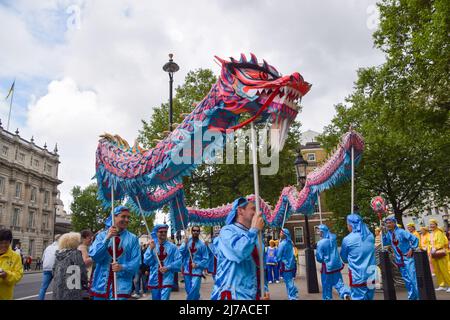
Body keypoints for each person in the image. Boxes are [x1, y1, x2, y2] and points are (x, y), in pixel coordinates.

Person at [211, 197, 268, 300]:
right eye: (253, 209)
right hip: (233, 295)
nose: (258, 213)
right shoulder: (227, 232)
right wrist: (254, 229)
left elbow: (261, 268)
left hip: (253, 295)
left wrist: (264, 291)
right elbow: (240, 251)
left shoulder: (257, 237)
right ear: (240, 211)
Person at [89, 205, 141, 300]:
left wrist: (122, 267)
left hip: (122, 287)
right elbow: (94, 256)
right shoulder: (101, 236)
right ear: (114, 217)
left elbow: (136, 263)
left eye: (128, 217)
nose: (126, 220)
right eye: (123, 216)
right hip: (101, 285)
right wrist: (107, 239)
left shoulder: (133, 239)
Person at [382, 215, 419, 300]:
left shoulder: (401, 232)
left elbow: (415, 239)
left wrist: (412, 249)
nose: (388, 225)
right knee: (407, 280)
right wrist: (383, 233)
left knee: (413, 279)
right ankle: (412, 297)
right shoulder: (388, 234)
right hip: (399, 260)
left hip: (407, 258)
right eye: (387, 223)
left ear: (394, 223)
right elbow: (384, 242)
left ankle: (419, 297)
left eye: (390, 223)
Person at [340, 212, 376, 300]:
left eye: (347, 224)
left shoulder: (347, 239)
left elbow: (344, 258)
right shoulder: (370, 236)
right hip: (371, 275)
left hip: (357, 276)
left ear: (351, 225)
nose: (347, 227)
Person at [144, 224, 181, 300]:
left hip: (167, 278)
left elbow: (179, 261)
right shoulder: (152, 246)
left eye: (165, 232)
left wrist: (168, 267)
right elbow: (146, 261)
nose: (163, 233)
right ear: (157, 233)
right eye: (161, 232)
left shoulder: (172, 247)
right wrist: (150, 250)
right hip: (154, 278)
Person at [316, 224, 351, 300]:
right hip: (336, 266)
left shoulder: (321, 243)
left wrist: (323, 259)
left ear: (322, 232)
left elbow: (319, 258)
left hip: (327, 268)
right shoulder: (333, 239)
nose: (318, 233)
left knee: (326, 287)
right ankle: (345, 294)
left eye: (318, 231)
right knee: (339, 284)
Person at [53, 232, 88, 300]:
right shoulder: (75, 254)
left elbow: (53, 271)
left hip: (59, 289)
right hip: (73, 290)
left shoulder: (58, 255)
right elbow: (82, 271)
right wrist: (85, 282)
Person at [179, 226, 209, 300]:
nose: (196, 232)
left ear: (199, 232)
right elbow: (180, 253)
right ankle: (197, 298)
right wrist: (184, 244)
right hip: (186, 269)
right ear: (191, 232)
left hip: (197, 270)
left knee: (195, 287)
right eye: (194, 230)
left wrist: (197, 265)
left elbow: (206, 259)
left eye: (197, 231)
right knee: (188, 289)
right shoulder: (186, 241)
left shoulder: (202, 245)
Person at [0, 229, 23, 300]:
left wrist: (6, 275)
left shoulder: (15, 257)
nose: (3, 245)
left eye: (6, 243)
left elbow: (18, 275)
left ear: (10, 242)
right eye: (1, 243)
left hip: (5, 296)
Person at [428, 219, 450, 292]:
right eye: (430, 224)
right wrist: (430, 249)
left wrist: (435, 248)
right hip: (434, 254)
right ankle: (442, 285)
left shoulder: (439, 232)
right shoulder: (431, 233)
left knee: (444, 270)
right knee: (437, 270)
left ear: (436, 225)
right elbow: (429, 243)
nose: (431, 226)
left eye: (433, 224)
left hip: (441, 253)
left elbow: (441, 243)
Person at [277, 228, 299, 300]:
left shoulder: (282, 244)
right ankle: (293, 292)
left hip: (285, 264)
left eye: (281, 232)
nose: (280, 233)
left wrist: (276, 259)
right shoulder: (290, 243)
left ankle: (292, 296)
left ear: (284, 234)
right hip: (291, 264)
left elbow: (278, 256)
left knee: (288, 281)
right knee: (289, 280)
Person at [38, 234, 61, 300]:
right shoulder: (60, 247)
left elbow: (43, 258)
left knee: (43, 287)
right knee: (57, 287)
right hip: (56, 268)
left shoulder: (48, 247)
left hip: (46, 268)